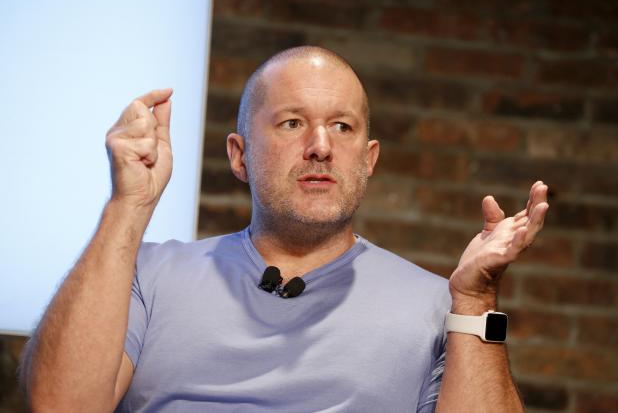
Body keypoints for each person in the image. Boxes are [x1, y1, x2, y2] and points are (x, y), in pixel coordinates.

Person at [20, 46, 548, 412]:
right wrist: (127, 205)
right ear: (240, 154)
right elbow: (58, 405)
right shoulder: (149, 276)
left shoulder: (444, 307)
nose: (320, 145)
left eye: (342, 126)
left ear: (368, 160)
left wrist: (477, 302)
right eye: (292, 122)